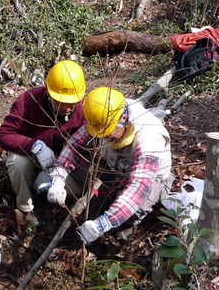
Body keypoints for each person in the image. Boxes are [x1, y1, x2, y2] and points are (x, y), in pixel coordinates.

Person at [47, 87, 173, 244]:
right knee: (96, 205)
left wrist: (104, 223)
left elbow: (138, 187)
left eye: (107, 134)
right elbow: (76, 146)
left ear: (124, 119)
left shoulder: (149, 137)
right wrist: (59, 175)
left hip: (152, 180)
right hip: (116, 167)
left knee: (136, 207)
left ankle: (125, 226)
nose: (103, 138)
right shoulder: (104, 114)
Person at [0, 60, 86, 227]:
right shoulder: (29, 101)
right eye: (61, 101)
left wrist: (57, 171)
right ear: (49, 93)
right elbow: (4, 135)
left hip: (63, 163)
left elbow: (86, 151)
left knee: (78, 187)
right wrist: (35, 146)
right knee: (17, 162)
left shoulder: (83, 111)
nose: (67, 107)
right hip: (31, 156)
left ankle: (58, 207)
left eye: (72, 101)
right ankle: (25, 208)